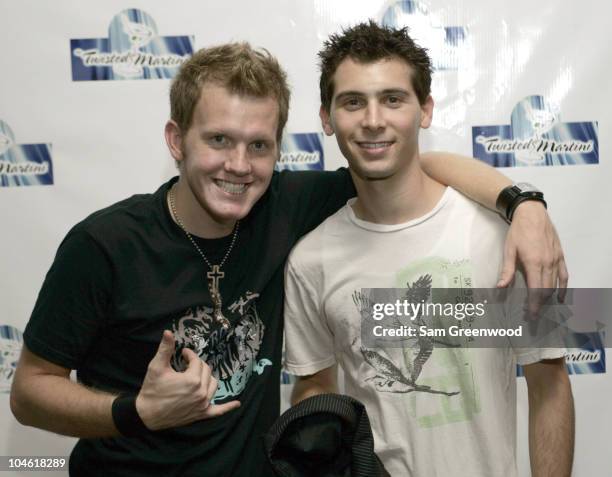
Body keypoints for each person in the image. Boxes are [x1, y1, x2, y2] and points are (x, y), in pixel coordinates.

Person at [10, 41, 566, 477]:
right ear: (176, 140)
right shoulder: (104, 244)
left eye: (259, 145)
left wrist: (523, 204)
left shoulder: (286, 209)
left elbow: (409, 164)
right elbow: (28, 391)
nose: (238, 165)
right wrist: (136, 411)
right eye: (219, 140)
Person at [284, 21, 574, 477]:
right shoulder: (310, 261)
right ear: (326, 118)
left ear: (425, 110)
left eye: (393, 99)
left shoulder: (502, 236)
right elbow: (314, 385)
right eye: (353, 102)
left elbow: (549, 384)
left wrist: (524, 205)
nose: (373, 119)